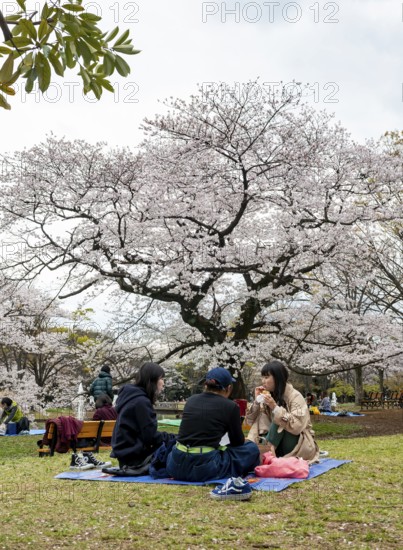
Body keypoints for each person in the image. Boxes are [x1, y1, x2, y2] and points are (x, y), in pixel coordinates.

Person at [166, 367, 260, 482]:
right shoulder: (231, 406)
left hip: (175, 464)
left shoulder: (191, 400)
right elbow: (237, 442)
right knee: (251, 448)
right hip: (204, 467)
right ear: (229, 388)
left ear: (206, 385)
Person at [246, 361, 319, 463]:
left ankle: (265, 452)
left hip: (299, 444)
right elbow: (249, 421)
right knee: (261, 416)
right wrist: (257, 401)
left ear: (278, 378)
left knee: (279, 418)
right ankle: (256, 448)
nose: (263, 381)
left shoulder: (295, 396)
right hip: (278, 443)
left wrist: (275, 408)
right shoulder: (269, 395)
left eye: (266, 377)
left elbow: (297, 426)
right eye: (262, 377)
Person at [108, 362, 173, 475]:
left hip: (125, 454)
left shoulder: (131, 397)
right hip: (135, 457)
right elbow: (151, 437)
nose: (163, 383)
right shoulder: (141, 402)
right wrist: (172, 438)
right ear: (152, 380)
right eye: (162, 379)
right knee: (175, 447)